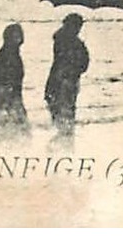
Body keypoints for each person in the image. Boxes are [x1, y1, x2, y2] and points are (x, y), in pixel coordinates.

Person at [45, 14, 90, 146]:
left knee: (60, 112)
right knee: (66, 113)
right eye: (78, 26)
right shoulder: (71, 42)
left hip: (58, 80)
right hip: (66, 81)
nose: (79, 28)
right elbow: (82, 64)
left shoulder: (62, 40)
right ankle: (64, 140)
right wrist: (82, 48)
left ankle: (61, 139)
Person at [0, 23, 30, 142]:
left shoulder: (10, 56)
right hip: (6, 106)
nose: (19, 40)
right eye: (16, 37)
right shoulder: (6, 58)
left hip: (9, 105)